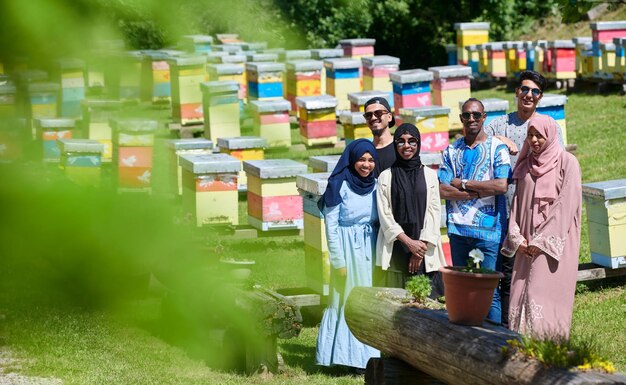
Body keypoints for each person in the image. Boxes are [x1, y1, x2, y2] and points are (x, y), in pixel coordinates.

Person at [484, 70, 564, 327]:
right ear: (517, 92)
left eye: (535, 92)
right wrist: (500, 139)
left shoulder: (548, 125)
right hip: (500, 210)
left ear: (540, 97)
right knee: (504, 273)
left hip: (533, 214)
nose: (529, 95)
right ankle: (505, 326)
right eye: (525, 89)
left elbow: (557, 164)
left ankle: (531, 324)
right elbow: (476, 138)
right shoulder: (499, 124)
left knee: (527, 273)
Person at [501, 114, 581, 339]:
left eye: (539, 136)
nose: (534, 140)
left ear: (551, 135)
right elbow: (517, 204)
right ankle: (520, 349)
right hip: (526, 246)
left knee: (541, 295)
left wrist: (542, 241)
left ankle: (548, 350)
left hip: (553, 246)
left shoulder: (567, 163)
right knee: (520, 294)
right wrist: (518, 238)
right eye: (530, 135)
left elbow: (567, 204)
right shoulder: (525, 166)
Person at [438, 98, 511, 324]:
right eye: (467, 115)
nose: (471, 119)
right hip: (458, 230)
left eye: (476, 115)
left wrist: (464, 183)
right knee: (461, 287)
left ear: (484, 117)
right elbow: (441, 188)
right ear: (461, 118)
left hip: (489, 232)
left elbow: (500, 186)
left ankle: (493, 342)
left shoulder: (497, 148)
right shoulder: (451, 150)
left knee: (489, 291)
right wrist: (479, 190)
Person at [316, 138, 380, 370]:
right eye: (361, 160)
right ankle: (343, 356)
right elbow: (331, 227)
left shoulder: (376, 183)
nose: (366, 165)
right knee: (346, 298)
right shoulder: (339, 185)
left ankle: (365, 356)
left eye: (371, 160)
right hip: (347, 249)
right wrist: (338, 261)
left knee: (367, 299)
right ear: (352, 160)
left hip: (369, 247)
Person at [375, 123, 446, 295]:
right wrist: (409, 243)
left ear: (418, 144)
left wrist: (419, 250)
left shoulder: (430, 175)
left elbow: (434, 212)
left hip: (424, 250)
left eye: (412, 141)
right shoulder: (386, 176)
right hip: (397, 250)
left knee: (427, 306)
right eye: (401, 141)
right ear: (395, 145)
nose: (406, 146)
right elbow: (385, 216)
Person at [363, 96, 396, 176]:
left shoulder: (400, 148)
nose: (373, 118)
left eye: (378, 113)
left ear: (389, 117)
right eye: (368, 115)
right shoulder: (365, 152)